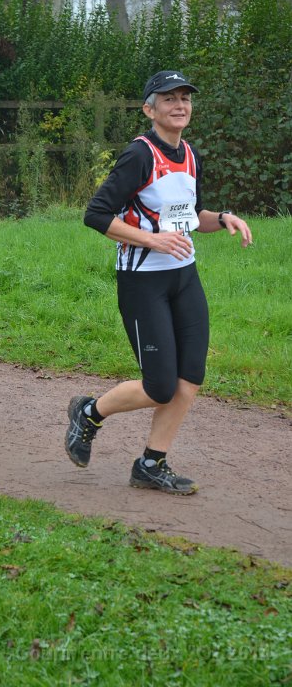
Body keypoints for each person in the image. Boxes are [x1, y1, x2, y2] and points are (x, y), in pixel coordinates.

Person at [65, 70, 253, 495]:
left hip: (184, 278)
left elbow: (191, 215)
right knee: (160, 386)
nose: (179, 105)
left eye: (185, 98)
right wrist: (152, 239)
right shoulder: (139, 155)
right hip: (142, 282)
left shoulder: (190, 154)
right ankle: (89, 413)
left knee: (190, 377)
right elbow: (96, 214)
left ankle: (151, 463)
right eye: (169, 98)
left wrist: (223, 218)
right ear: (149, 109)